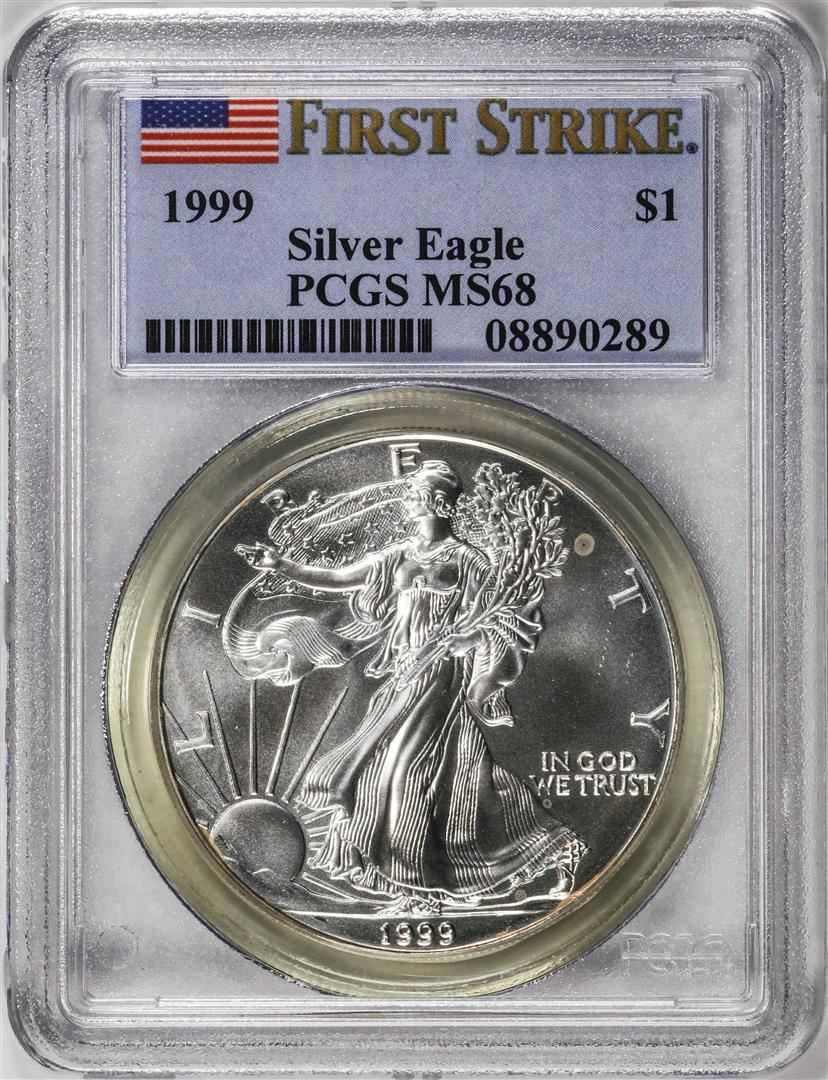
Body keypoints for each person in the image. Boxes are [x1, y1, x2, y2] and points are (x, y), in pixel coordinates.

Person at [237, 461, 582, 913]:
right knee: (418, 772)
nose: (408, 501)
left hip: (441, 674)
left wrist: (466, 639)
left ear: (436, 502)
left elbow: (499, 620)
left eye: (415, 494)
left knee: (404, 771)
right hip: (405, 671)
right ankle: (552, 847)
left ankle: (418, 889)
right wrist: (281, 564)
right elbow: (340, 579)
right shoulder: (398, 555)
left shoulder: (469, 561)